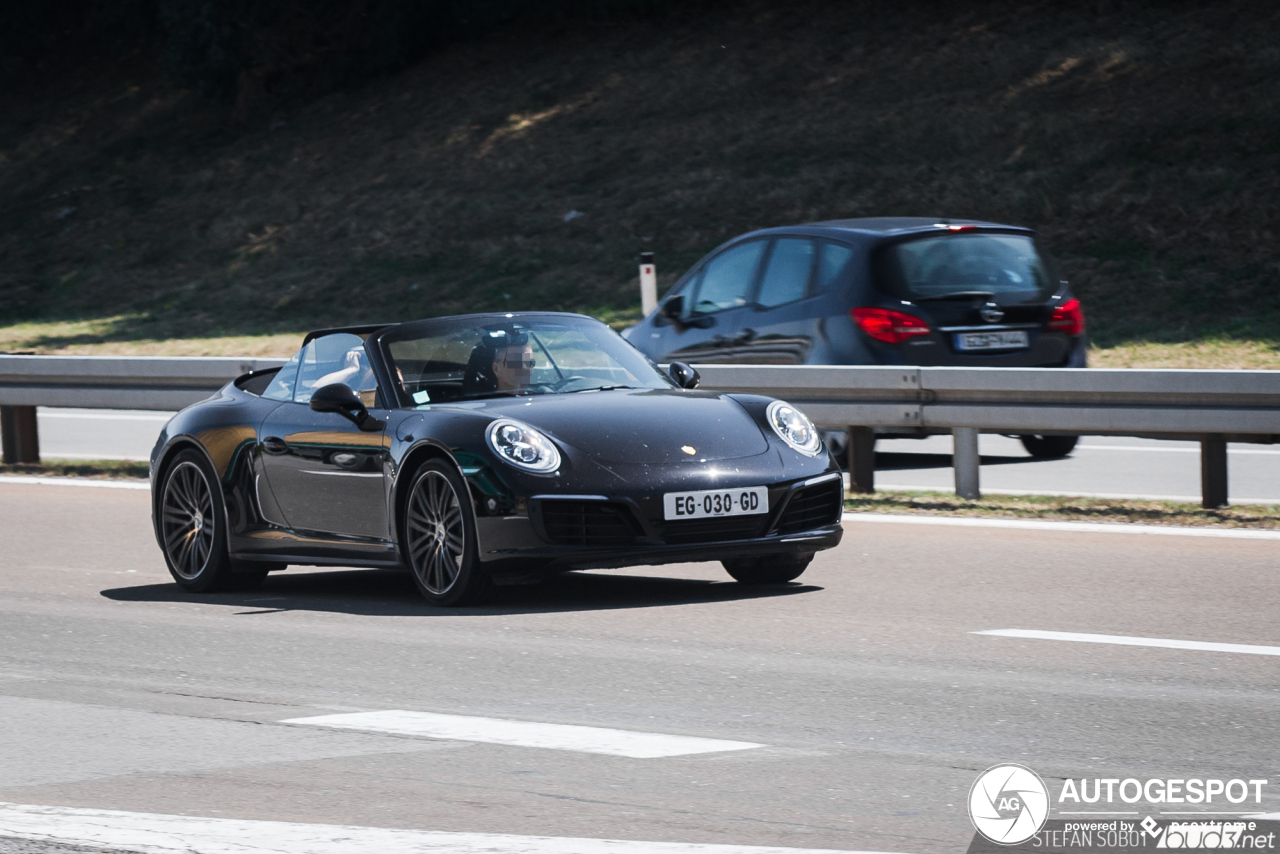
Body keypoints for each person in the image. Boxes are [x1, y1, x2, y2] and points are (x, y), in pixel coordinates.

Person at [462, 329, 536, 396]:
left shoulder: (544, 396)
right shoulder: (483, 405)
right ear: (496, 369)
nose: (525, 368)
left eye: (529, 362)